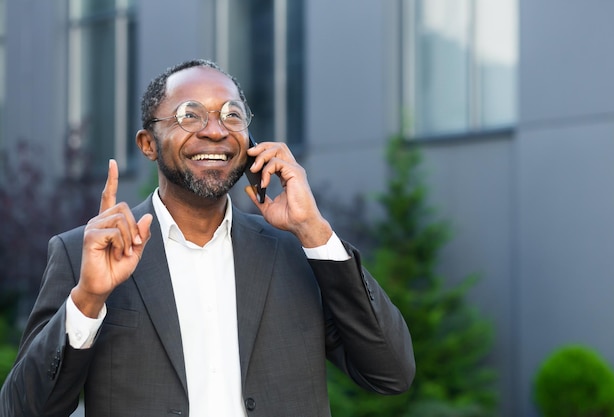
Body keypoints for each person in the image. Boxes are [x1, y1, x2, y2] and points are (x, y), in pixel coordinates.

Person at [0, 59, 415, 417]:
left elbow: (390, 373)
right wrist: (88, 299)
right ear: (148, 143)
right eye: (190, 115)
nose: (215, 131)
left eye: (231, 115)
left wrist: (315, 230)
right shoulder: (82, 256)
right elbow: (22, 408)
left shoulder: (296, 252)